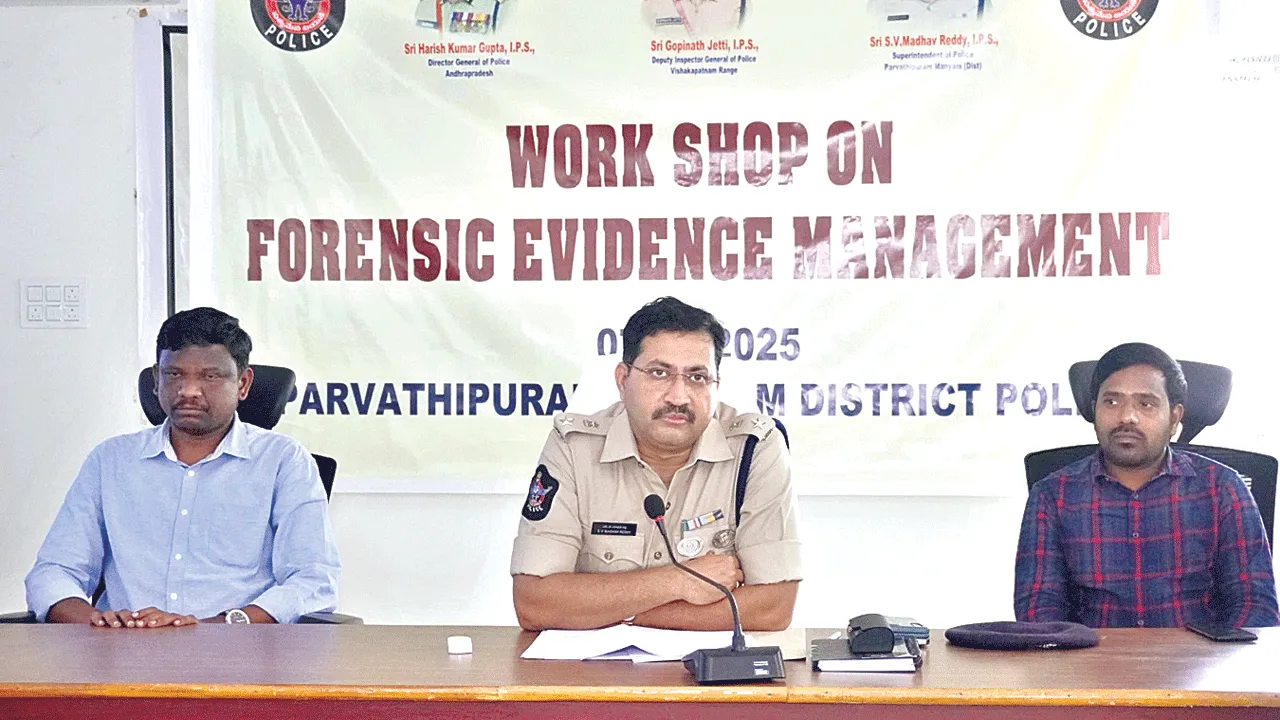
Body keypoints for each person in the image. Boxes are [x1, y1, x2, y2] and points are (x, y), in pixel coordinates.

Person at [25, 307, 340, 628]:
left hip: (237, 649)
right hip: (123, 647)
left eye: (210, 376)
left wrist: (217, 626)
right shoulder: (111, 460)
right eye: (174, 374)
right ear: (156, 380)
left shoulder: (283, 461)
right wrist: (98, 622)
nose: (189, 391)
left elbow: (313, 580)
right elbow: (54, 571)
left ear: (243, 384)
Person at [511, 297, 801, 632]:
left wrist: (622, 614)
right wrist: (678, 581)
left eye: (697, 377)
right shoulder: (574, 448)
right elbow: (534, 602)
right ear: (623, 380)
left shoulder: (754, 447)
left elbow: (773, 608)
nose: (678, 396)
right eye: (659, 373)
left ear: (716, 385)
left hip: (711, 666)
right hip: (595, 667)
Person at [1015, 343, 1279, 628]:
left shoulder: (1222, 489)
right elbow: (1039, 613)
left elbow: (1256, 606)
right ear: (1094, 411)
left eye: (1146, 404)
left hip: (1200, 656)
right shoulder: (1053, 496)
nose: (1127, 417)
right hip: (1090, 656)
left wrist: (1216, 654)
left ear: (1174, 418)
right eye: (1111, 402)